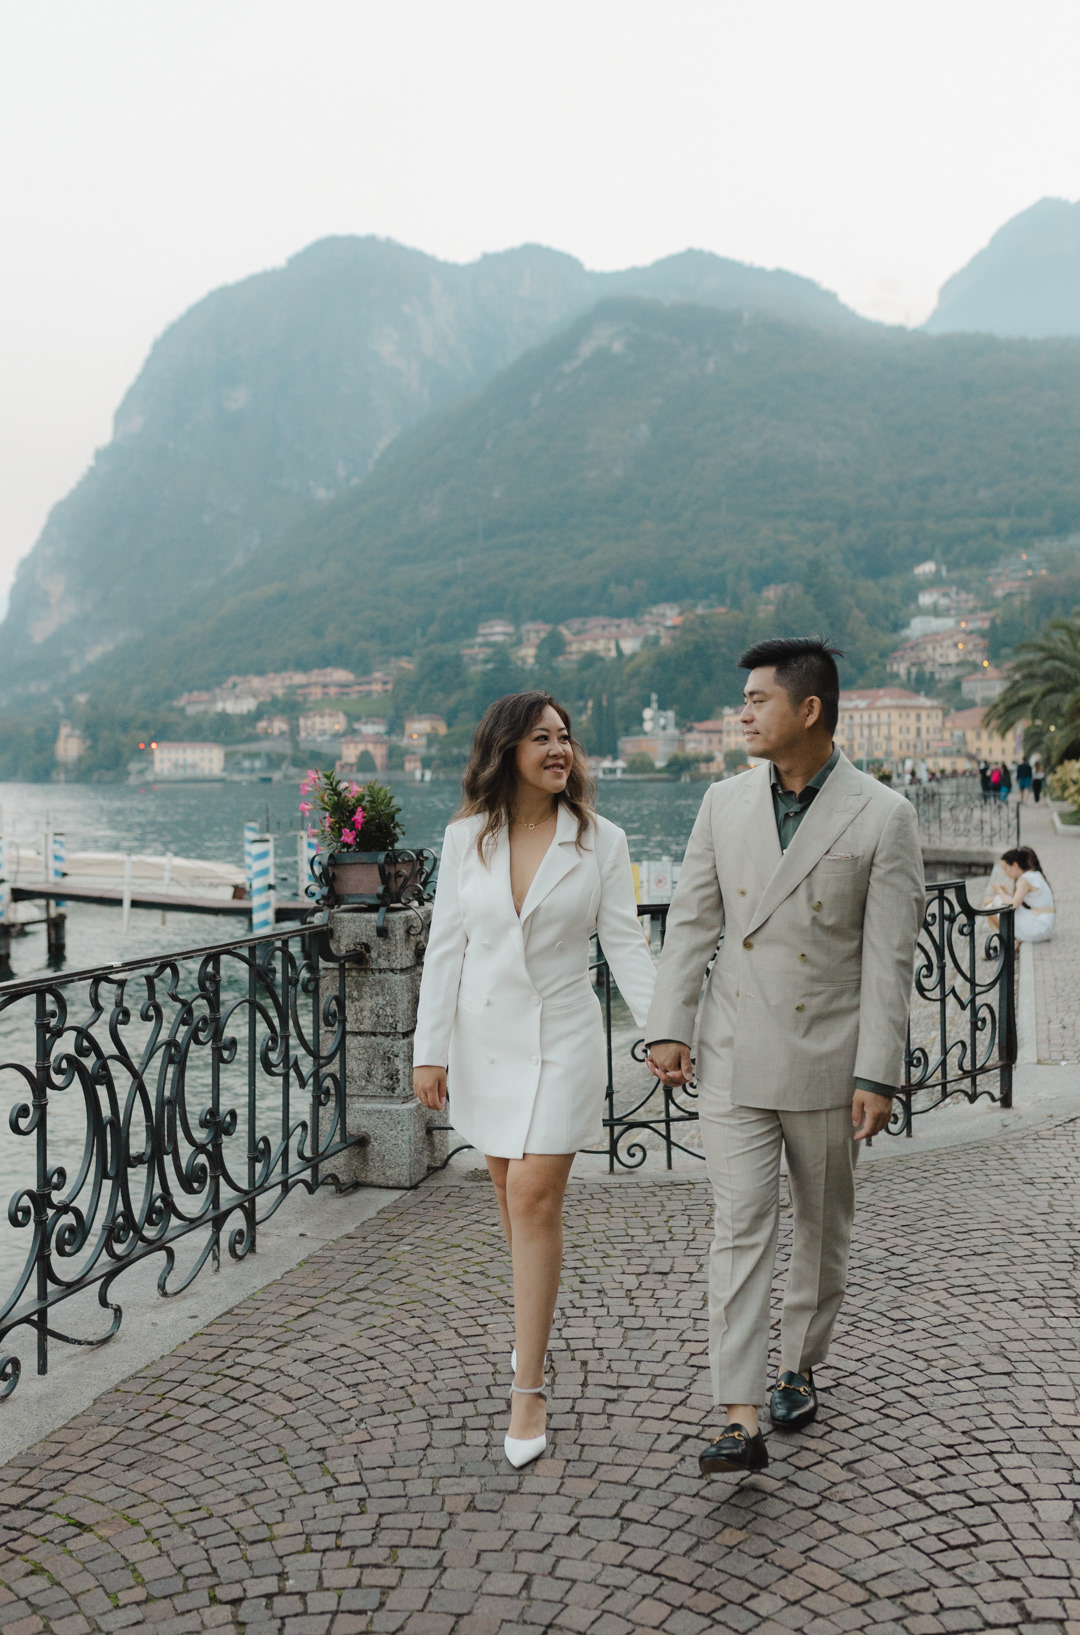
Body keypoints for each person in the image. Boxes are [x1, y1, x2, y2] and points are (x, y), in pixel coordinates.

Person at [645, 637, 925, 1477]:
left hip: (829, 1058)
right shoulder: (722, 803)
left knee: (821, 1222)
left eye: (757, 699)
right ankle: (739, 1413)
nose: (742, 714)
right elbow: (692, 922)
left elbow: (888, 960)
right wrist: (669, 1024)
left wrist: (877, 1072)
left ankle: (798, 1364)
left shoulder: (883, 815)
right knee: (737, 1228)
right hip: (733, 1048)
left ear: (809, 709)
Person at [412, 691, 656, 1469]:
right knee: (511, 1198)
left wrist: (663, 1028)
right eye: (542, 737)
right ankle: (534, 1324)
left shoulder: (600, 840)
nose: (559, 748)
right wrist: (428, 1049)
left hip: (563, 1037)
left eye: (565, 736)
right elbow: (445, 949)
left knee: (532, 1194)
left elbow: (625, 943)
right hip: (483, 1039)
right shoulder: (466, 839)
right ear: (506, 749)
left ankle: (528, 1385)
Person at [985, 846, 1055, 942]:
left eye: (1005, 868)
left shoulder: (1026, 879)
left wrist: (1000, 892)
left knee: (992, 906)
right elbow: (1020, 899)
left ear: (1015, 865)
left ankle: (1010, 943)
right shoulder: (1033, 875)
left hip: (1040, 927)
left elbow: (1013, 905)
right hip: (1044, 924)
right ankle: (1014, 940)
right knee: (994, 902)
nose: (1005, 873)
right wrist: (1006, 893)